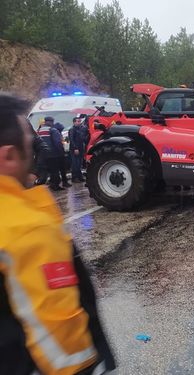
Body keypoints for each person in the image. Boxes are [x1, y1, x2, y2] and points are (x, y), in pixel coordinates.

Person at [0, 92, 115, 374]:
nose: (35, 151)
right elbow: (64, 348)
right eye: (30, 145)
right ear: (9, 155)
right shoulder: (27, 228)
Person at [37, 116, 66, 191]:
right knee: (55, 170)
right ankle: (55, 185)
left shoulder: (39, 130)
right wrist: (61, 152)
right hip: (53, 154)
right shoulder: (52, 130)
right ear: (51, 122)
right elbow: (57, 143)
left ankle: (45, 185)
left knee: (45, 171)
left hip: (42, 154)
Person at [68, 116, 86, 182]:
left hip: (81, 148)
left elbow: (82, 138)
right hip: (75, 149)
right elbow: (71, 139)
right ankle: (74, 177)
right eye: (78, 121)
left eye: (79, 121)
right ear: (74, 122)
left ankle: (80, 176)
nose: (79, 123)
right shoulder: (72, 129)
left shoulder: (81, 129)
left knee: (79, 164)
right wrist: (75, 148)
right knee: (75, 164)